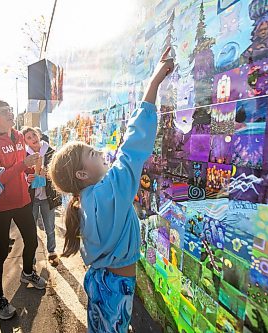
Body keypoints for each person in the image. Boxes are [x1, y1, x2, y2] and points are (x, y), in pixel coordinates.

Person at [48, 48, 174, 333]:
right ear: (82, 174)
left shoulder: (85, 198)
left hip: (101, 281)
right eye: (93, 153)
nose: (101, 154)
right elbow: (132, 147)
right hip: (117, 286)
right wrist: (153, 83)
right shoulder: (110, 191)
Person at [0, 100, 47, 320]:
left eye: (10, 110)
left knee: (32, 240)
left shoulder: (18, 136)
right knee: (0, 254)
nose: (9, 114)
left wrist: (32, 169)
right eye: (3, 112)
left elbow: (21, 166)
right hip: (0, 206)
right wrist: (22, 165)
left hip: (22, 201)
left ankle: (27, 272)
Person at [22, 126, 62, 266]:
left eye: (34, 135)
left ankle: (51, 251)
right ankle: (31, 255)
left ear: (39, 134)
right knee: (30, 229)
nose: (33, 139)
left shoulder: (51, 151)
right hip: (31, 198)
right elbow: (21, 174)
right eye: (29, 137)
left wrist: (50, 174)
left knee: (50, 226)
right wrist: (28, 178)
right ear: (25, 142)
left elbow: (59, 171)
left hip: (48, 197)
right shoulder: (24, 155)